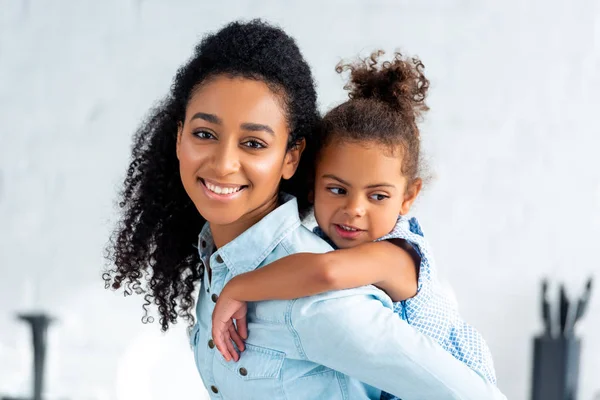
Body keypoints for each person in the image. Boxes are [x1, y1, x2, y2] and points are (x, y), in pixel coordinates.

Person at [104, 19, 506, 399]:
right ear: (179, 139)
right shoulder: (219, 261)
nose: (223, 163)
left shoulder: (316, 302)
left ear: (292, 157)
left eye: (254, 143)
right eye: (205, 134)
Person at [211, 51, 497, 400]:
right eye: (337, 189)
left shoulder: (397, 253)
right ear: (312, 183)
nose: (354, 209)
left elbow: (326, 273)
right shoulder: (318, 244)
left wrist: (237, 288)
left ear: (408, 197)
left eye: (377, 196)